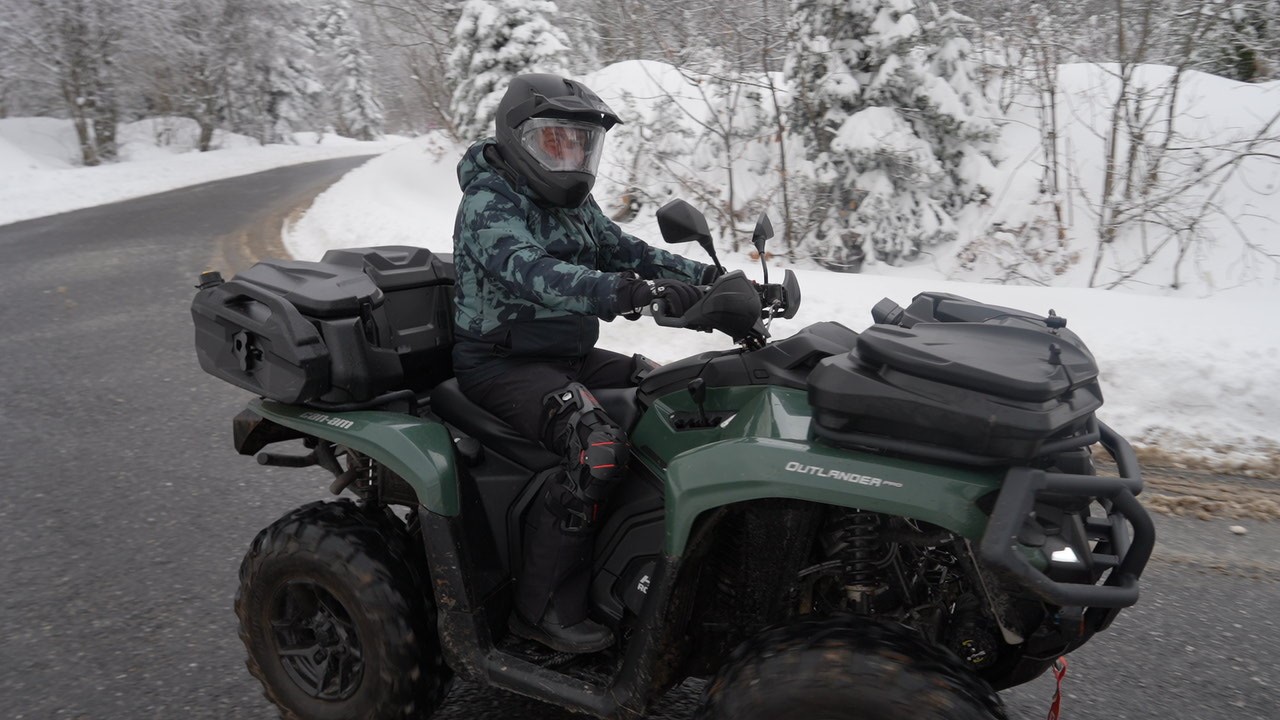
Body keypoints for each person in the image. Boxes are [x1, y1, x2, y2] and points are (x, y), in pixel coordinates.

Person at [451, 73, 719, 654]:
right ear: (519, 140)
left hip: (565, 352)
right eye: (556, 142)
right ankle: (540, 607)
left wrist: (712, 280)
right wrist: (622, 292)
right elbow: (530, 270)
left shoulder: (575, 206)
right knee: (596, 445)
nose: (570, 155)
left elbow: (628, 249)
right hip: (501, 361)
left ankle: (636, 556)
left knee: (672, 392)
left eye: (581, 143)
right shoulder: (489, 202)